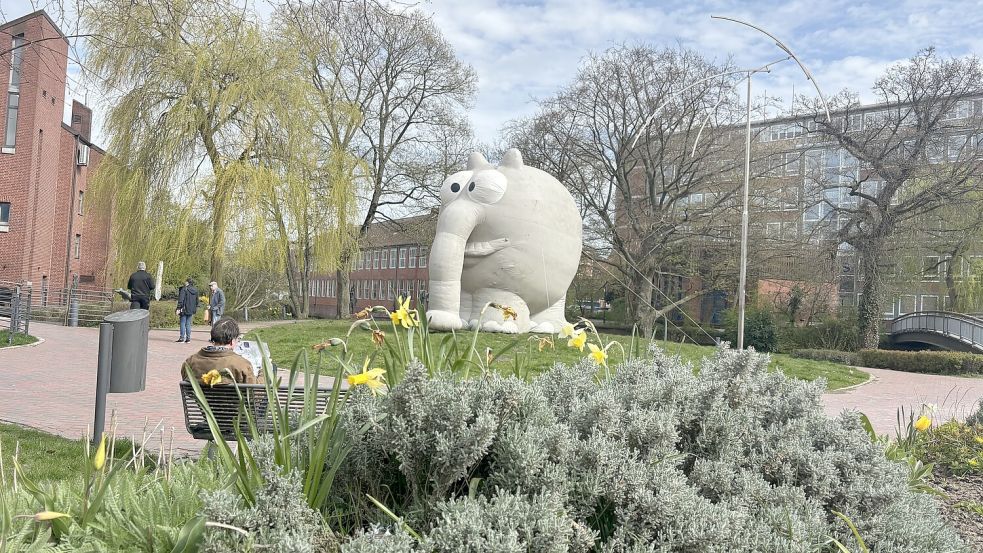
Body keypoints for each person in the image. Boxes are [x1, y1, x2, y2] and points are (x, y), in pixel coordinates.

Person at [180, 318, 257, 384]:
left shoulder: (190, 362)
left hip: (202, 401)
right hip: (233, 401)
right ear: (232, 341)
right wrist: (262, 374)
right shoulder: (241, 364)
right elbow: (253, 394)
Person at [176, 277, 199, 343]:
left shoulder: (184, 289)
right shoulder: (195, 290)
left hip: (184, 309)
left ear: (187, 282)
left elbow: (181, 299)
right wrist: (195, 308)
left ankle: (181, 338)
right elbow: (197, 300)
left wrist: (178, 308)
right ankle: (188, 338)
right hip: (191, 309)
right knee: (188, 324)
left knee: (182, 323)